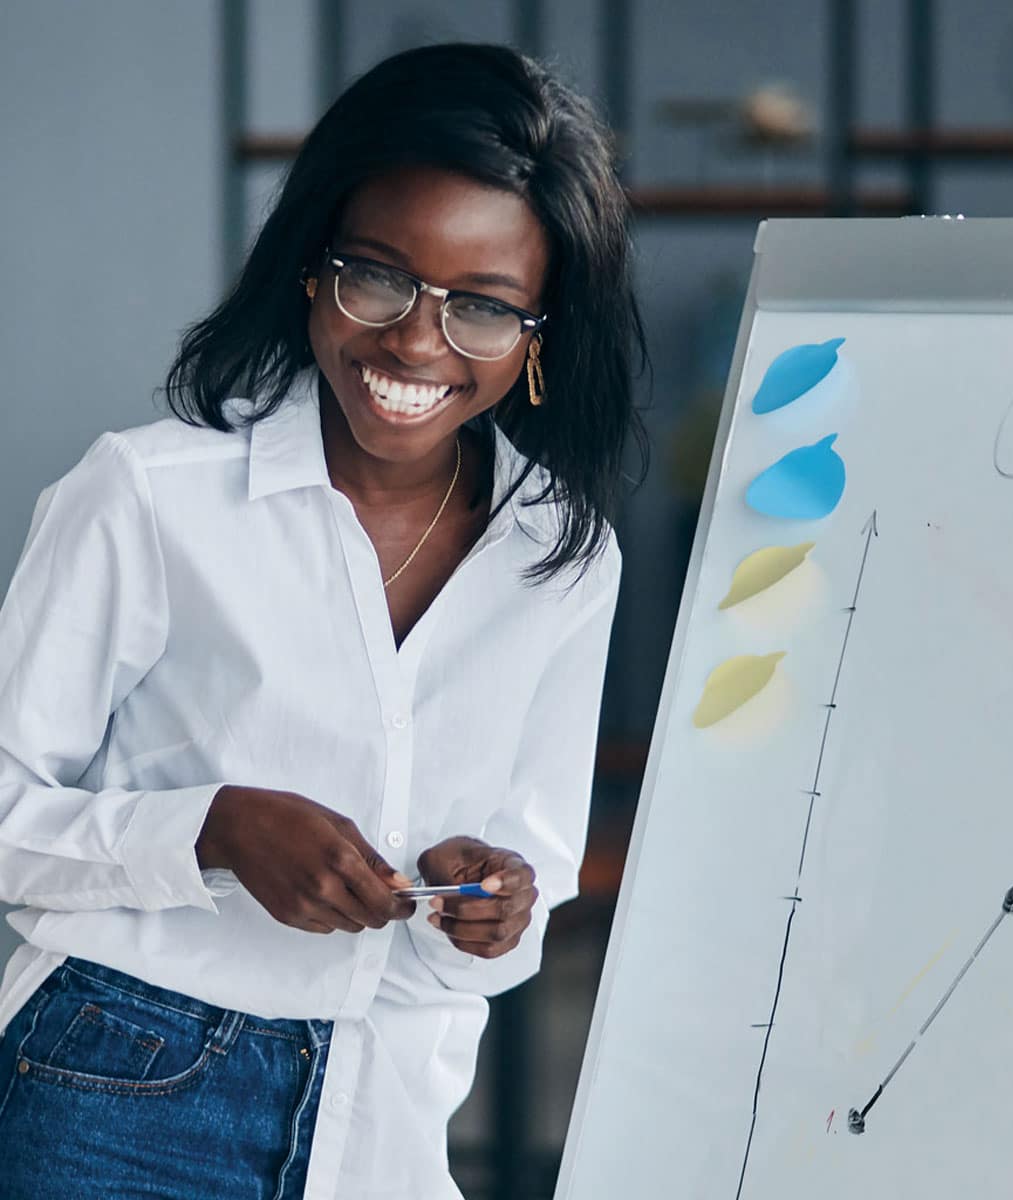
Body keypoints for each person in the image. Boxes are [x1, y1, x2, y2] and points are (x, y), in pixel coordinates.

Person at [0, 41, 646, 1199]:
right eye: (378, 277)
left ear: (541, 340)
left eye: (485, 310)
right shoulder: (149, 496)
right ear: (314, 267)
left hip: (383, 1113)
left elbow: (537, 872)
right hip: (117, 1089)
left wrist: (496, 904)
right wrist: (215, 830)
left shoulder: (561, 555)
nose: (412, 341)